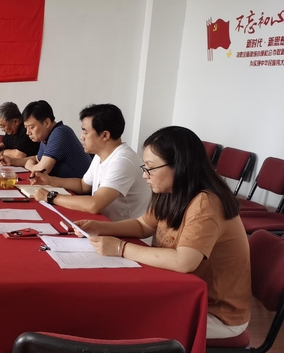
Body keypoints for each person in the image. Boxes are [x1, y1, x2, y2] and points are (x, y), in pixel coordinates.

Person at [78, 126, 251, 339]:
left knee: (125, 321)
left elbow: (184, 262)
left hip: (214, 312)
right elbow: (143, 225)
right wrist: (102, 227)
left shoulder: (205, 202)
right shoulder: (171, 190)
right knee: (112, 303)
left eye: (150, 168)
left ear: (179, 165)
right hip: (179, 290)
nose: (145, 175)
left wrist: (120, 248)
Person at [29, 103, 150, 221]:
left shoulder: (122, 161)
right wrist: (49, 180)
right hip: (103, 223)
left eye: (85, 132)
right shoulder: (100, 155)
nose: (81, 137)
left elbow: (95, 204)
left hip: (123, 231)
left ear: (105, 135)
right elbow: (82, 185)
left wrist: (50, 197)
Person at [0, 100, 91, 178]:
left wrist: (29, 165)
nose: (27, 132)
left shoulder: (60, 133)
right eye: (26, 128)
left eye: (31, 127)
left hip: (80, 190)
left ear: (47, 123)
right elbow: (38, 158)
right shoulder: (46, 136)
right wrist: (13, 161)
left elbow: (41, 170)